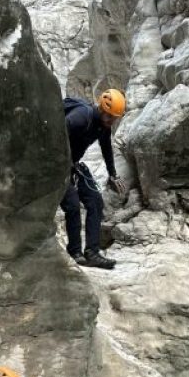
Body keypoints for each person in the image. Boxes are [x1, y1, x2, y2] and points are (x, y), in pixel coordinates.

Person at [61, 88, 128, 269]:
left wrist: (113, 174)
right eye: (110, 116)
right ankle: (75, 252)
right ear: (102, 109)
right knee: (73, 204)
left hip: (73, 165)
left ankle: (92, 252)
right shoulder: (82, 116)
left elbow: (106, 148)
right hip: (58, 164)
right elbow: (59, 135)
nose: (112, 121)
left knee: (95, 200)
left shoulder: (103, 126)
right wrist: (64, 163)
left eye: (115, 118)